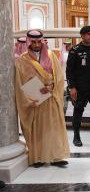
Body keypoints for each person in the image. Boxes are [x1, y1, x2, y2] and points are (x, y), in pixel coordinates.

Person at [15, 30, 70, 167]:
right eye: (33, 42)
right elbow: (20, 82)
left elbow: (59, 77)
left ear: (42, 41)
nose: (36, 44)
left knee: (54, 129)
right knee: (38, 130)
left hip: (51, 98)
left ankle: (56, 157)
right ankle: (38, 157)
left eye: (39, 41)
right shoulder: (23, 59)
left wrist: (51, 88)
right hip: (36, 101)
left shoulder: (52, 56)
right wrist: (29, 99)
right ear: (29, 42)